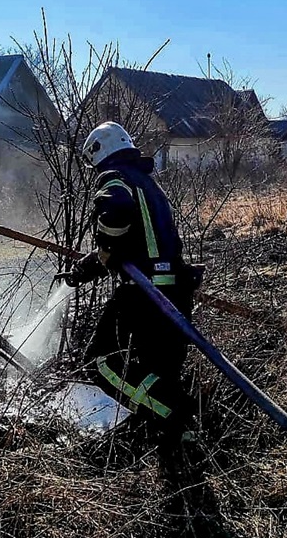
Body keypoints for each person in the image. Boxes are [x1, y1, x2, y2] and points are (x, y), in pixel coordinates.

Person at [63, 121, 200, 453]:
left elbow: (116, 215)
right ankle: (180, 442)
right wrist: (95, 263)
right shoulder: (147, 183)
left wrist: (105, 250)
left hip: (145, 294)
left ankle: (172, 416)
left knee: (100, 362)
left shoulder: (114, 178)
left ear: (99, 151)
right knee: (159, 371)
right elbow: (136, 242)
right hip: (173, 292)